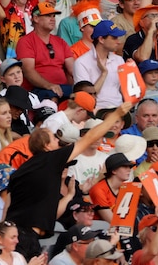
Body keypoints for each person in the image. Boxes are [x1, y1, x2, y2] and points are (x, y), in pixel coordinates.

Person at [8, 102, 131, 259]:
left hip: (20, 234)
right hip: (25, 237)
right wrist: (116, 114)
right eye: (54, 138)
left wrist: (69, 195)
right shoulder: (50, 159)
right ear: (46, 146)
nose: (59, 142)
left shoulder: (23, 171)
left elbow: (12, 208)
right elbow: (90, 138)